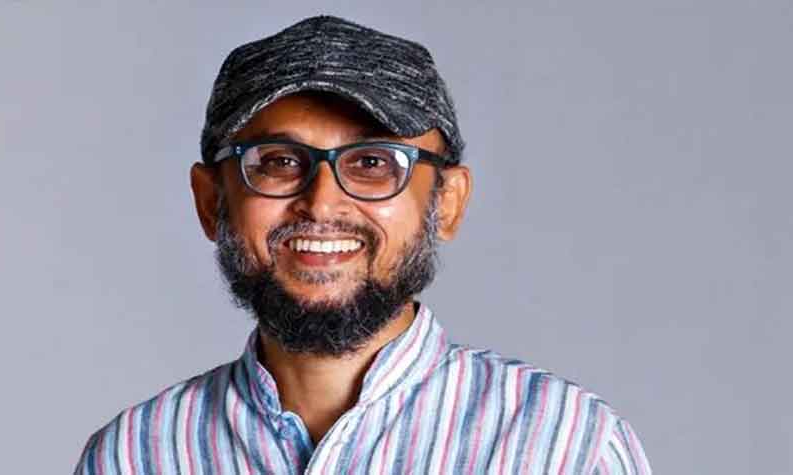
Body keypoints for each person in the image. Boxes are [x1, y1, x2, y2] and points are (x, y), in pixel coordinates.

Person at [74, 15, 652, 474]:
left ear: (447, 202)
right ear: (210, 201)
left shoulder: (566, 447)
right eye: (278, 162)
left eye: (374, 162)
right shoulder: (136, 456)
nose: (322, 203)